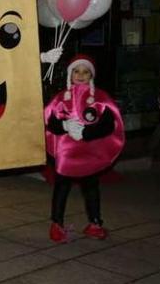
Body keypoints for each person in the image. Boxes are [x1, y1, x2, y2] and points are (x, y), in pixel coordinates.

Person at [44, 55, 124, 243]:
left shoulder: (100, 98)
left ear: (91, 75)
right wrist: (64, 127)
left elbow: (108, 125)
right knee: (61, 187)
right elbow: (50, 122)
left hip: (89, 153)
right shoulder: (60, 98)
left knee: (91, 188)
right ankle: (56, 224)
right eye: (76, 71)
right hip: (66, 154)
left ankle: (95, 223)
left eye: (85, 71)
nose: (80, 75)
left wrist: (87, 133)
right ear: (70, 74)